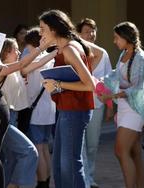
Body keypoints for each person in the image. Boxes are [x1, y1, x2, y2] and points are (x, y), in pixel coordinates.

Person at [39, 10, 95, 188]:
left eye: (42, 29)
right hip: (67, 110)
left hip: (75, 111)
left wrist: (57, 84)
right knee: (59, 166)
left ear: (54, 29)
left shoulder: (70, 49)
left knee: (70, 165)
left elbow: (90, 85)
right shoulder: (64, 48)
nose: (40, 33)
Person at [102, 21, 144, 188]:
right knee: (134, 154)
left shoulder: (141, 57)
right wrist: (100, 82)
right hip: (123, 107)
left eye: (116, 38)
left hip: (135, 109)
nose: (114, 41)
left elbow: (137, 88)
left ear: (126, 37)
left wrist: (112, 95)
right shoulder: (124, 53)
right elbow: (116, 75)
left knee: (120, 151)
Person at [76, 18, 113, 188]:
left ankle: (90, 175)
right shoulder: (75, 52)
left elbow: (109, 84)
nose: (91, 35)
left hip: (97, 105)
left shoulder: (103, 54)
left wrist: (109, 107)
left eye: (93, 31)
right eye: (86, 31)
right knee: (80, 145)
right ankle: (84, 179)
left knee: (92, 144)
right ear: (78, 34)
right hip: (78, 106)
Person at [21, 27, 57, 188]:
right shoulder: (50, 59)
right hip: (49, 110)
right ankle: (47, 181)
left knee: (38, 148)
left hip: (35, 110)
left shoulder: (34, 58)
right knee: (44, 148)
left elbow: (24, 69)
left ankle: (42, 183)